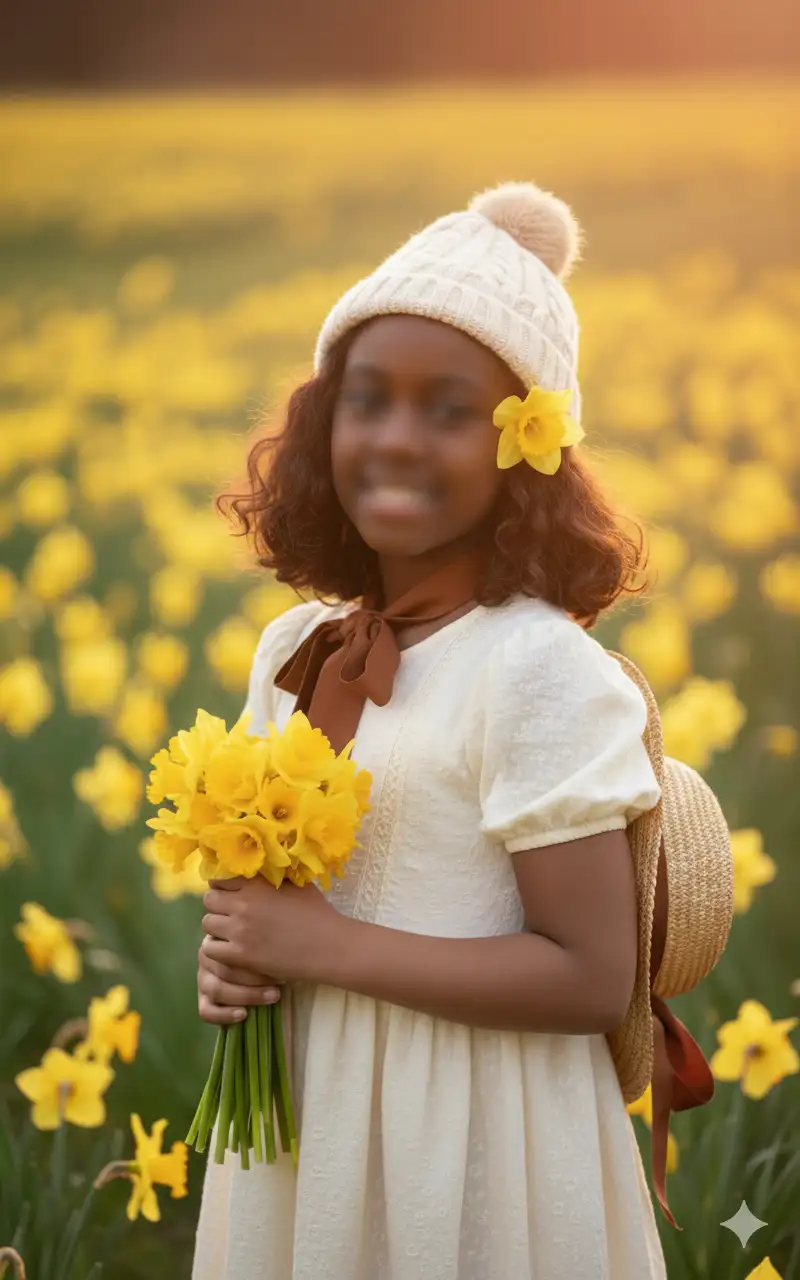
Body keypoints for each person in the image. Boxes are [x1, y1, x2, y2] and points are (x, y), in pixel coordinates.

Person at [192, 181, 669, 1279]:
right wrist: (231, 961)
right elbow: (269, 895)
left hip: (469, 1133)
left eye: (448, 409)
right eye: (368, 399)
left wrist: (322, 948)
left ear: (524, 445)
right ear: (325, 421)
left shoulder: (535, 668)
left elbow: (592, 976)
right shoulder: (293, 648)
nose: (396, 439)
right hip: (307, 1117)